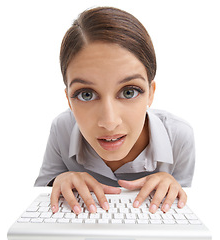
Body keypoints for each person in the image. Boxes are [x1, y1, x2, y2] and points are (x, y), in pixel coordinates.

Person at [35, 7, 195, 215]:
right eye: (86, 94)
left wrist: (174, 186)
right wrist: (58, 181)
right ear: (68, 99)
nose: (109, 122)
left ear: (150, 93)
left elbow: (183, 212)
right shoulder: (62, 129)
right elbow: (38, 197)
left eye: (129, 92)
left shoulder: (179, 137)